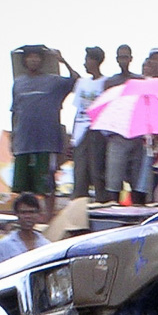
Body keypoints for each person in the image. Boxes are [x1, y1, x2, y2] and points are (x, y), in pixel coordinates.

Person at [10, 45, 77, 201]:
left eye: (37, 57)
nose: (34, 60)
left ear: (42, 61)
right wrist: (13, 139)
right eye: (30, 57)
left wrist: (63, 61)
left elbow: (76, 81)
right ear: (25, 61)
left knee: (46, 188)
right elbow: (14, 112)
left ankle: (47, 215)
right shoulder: (18, 83)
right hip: (23, 144)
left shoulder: (53, 81)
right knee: (20, 189)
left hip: (46, 143)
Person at [70, 47, 108, 203]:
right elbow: (78, 110)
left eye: (87, 59)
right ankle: (78, 205)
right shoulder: (82, 83)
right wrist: (73, 137)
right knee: (80, 173)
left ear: (95, 61)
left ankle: (101, 203)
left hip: (97, 130)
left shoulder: (105, 82)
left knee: (97, 171)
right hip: (81, 132)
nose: (85, 63)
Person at [0, 193, 50, 266]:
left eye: (31, 212)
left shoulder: (46, 245)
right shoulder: (4, 245)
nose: (28, 216)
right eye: (23, 212)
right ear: (17, 214)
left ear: (38, 214)